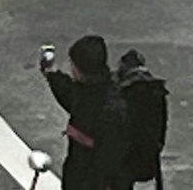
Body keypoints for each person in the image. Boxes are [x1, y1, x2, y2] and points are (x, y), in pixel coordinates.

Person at [40, 35, 128, 190]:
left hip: (87, 178)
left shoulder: (89, 102)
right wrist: (51, 73)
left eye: (73, 64)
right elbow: (68, 91)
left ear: (79, 68)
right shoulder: (112, 89)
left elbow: (70, 95)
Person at [115, 49, 169, 189]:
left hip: (126, 155)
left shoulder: (124, 90)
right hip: (149, 152)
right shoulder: (156, 90)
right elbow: (162, 124)